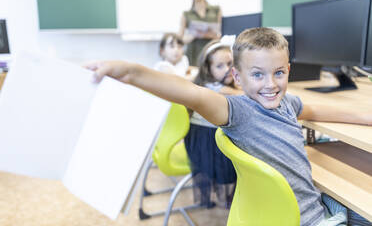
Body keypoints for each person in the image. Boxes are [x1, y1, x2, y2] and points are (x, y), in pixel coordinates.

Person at [85, 27, 372, 226]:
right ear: (237, 75)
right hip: (311, 220)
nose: (270, 84)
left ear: (288, 70)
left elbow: (318, 109)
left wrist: (365, 117)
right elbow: (191, 93)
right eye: (257, 74)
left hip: (311, 207)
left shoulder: (288, 103)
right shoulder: (238, 111)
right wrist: (127, 71)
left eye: (279, 73)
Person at [184, 36, 243, 208]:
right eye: (220, 66)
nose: (228, 69)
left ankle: (232, 197)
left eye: (230, 63)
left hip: (203, 138)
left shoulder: (208, 83)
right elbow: (244, 97)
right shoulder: (214, 87)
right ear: (207, 69)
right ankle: (233, 199)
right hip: (206, 142)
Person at [179, 0, 222, 67]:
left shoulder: (216, 10)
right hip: (193, 55)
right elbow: (179, 40)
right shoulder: (186, 14)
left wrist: (212, 35)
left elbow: (222, 33)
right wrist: (192, 35)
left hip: (212, 53)